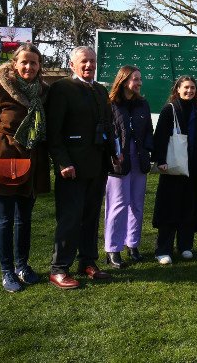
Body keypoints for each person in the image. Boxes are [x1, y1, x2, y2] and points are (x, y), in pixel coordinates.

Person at [0, 44, 50, 292]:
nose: (29, 67)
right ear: (14, 64)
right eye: (24, 62)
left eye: (34, 62)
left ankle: (22, 265)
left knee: (24, 219)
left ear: (39, 66)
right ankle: (7, 271)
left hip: (32, 162)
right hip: (3, 164)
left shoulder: (43, 92)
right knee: (5, 219)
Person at [47, 46, 118, 289]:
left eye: (92, 61)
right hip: (72, 168)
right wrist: (63, 162)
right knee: (70, 218)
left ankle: (87, 262)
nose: (89, 65)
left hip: (97, 166)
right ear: (72, 64)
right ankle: (59, 268)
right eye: (84, 61)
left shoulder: (100, 89)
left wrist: (114, 153)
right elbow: (54, 132)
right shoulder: (62, 88)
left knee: (90, 217)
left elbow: (107, 125)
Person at [152, 76, 197, 264]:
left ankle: (185, 246)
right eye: (186, 87)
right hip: (173, 167)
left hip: (193, 169)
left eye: (192, 87)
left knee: (188, 209)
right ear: (177, 89)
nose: (189, 91)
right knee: (169, 209)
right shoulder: (169, 110)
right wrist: (161, 160)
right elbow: (160, 136)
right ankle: (163, 249)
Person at [104, 66, 154, 268]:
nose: (139, 82)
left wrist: (148, 149)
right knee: (118, 204)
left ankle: (133, 245)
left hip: (139, 160)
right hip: (118, 161)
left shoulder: (143, 104)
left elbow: (149, 130)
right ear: (124, 81)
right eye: (136, 79)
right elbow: (106, 131)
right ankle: (113, 249)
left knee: (137, 204)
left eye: (140, 79)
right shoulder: (110, 104)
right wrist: (113, 152)